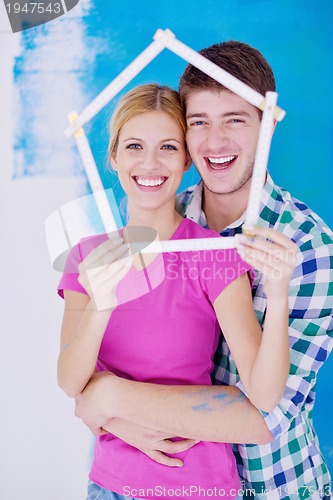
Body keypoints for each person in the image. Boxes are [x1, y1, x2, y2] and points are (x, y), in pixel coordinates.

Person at [74, 42, 333, 500]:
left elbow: (262, 416)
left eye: (235, 119)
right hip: (159, 478)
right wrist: (106, 412)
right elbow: (101, 358)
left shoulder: (310, 246)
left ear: (269, 123)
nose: (215, 141)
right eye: (199, 122)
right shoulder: (160, 214)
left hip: (274, 485)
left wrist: (106, 400)